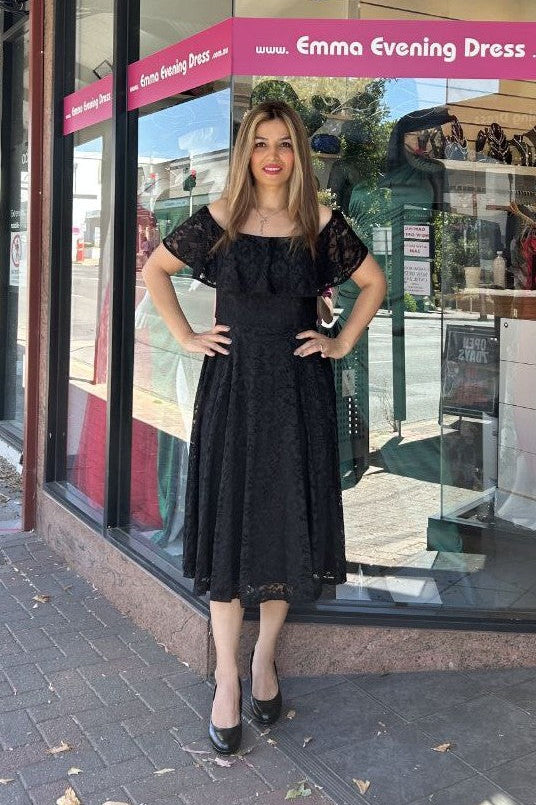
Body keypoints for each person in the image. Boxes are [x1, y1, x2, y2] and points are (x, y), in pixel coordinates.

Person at [142, 100, 386, 755]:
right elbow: (155, 270)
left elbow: (374, 282)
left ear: (298, 154)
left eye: (283, 144)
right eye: (260, 143)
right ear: (246, 152)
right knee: (230, 528)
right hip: (234, 389)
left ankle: (263, 658)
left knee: (285, 525)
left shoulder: (319, 223)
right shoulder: (220, 219)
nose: (272, 155)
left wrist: (340, 342)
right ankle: (226, 676)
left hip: (298, 394)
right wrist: (185, 335)